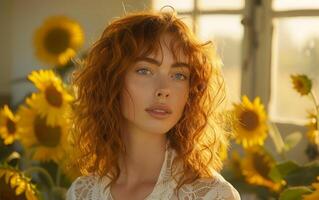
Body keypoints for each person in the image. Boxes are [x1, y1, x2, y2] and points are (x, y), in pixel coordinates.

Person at [66, 7, 240, 200]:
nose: (164, 89)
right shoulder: (82, 193)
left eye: (178, 75)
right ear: (112, 81)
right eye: (145, 70)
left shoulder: (213, 194)